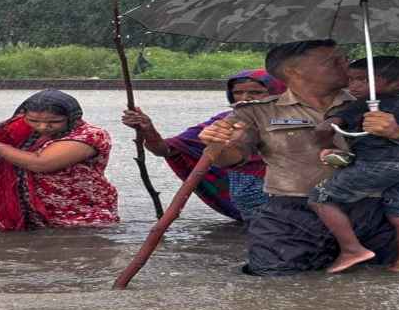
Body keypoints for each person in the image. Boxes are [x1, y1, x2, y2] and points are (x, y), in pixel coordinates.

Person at [199, 41, 399, 275]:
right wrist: (217, 143)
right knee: (274, 283)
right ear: (294, 71)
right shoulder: (256, 112)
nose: (347, 65)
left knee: (388, 289)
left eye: (345, 58)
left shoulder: (384, 101)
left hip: (381, 211)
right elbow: (230, 158)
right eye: (334, 61)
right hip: (292, 214)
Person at [308, 56, 399, 274]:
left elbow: (324, 129)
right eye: (352, 80)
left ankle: (352, 250)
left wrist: (327, 145)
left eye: (363, 80)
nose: (354, 86)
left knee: (321, 198)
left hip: (378, 163)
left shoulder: (358, 106)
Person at [121, 69, 285, 222]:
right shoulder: (223, 123)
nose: (245, 98)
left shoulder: (296, 122)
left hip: (289, 200)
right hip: (250, 203)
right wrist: (147, 129)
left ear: (277, 93)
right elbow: (166, 149)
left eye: (256, 92)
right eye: (238, 92)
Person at [0, 89, 119, 230]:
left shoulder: (89, 135)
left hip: (76, 213)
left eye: (54, 121)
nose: (43, 127)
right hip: (28, 213)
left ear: (72, 117)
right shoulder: (23, 131)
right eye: (33, 120)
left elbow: (41, 163)